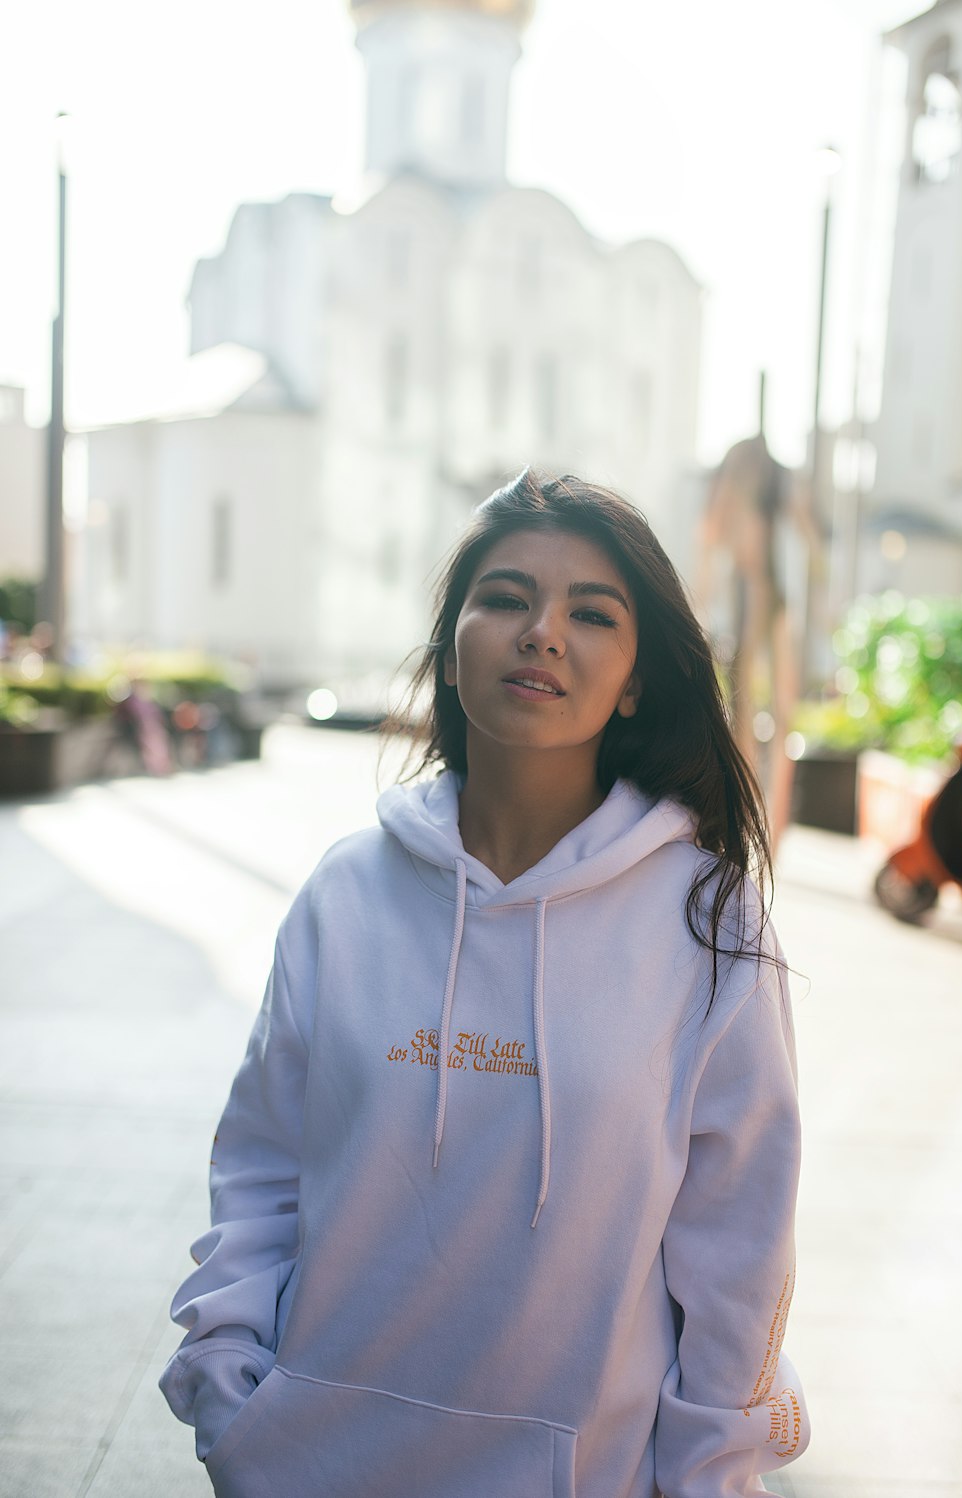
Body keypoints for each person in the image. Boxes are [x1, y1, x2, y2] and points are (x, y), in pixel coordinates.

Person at [160, 469, 809, 1498]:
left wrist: (707, 1471)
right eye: (505, 597)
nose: (542, 630)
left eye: (591, 612)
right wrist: (230, 1388)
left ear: (636, 677)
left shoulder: (709, 922)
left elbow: (736, 1241)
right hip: (310, 1463)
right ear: (451, 651)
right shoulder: (347, 893)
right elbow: (261, 1162)